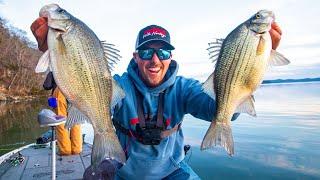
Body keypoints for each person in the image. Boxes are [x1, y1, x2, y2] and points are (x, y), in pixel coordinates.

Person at [30, 18, 282, 179]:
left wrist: (252, 64)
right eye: (146, 51)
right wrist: (58, 56)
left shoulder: (185, 88)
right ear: (136, 56)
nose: (154, 59)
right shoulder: (116, 85)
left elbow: (217, 107)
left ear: (170, 56)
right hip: (125, 173)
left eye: (162, 51)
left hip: (174, 172)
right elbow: (87, 87)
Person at [32, 20, 83, 156]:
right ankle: (77, 149)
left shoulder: (55, 65)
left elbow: (46, 86)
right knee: (75, 121)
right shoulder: (75, 62)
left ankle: (65, 150)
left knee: (61, 122)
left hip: (60, 92)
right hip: (75, 92)